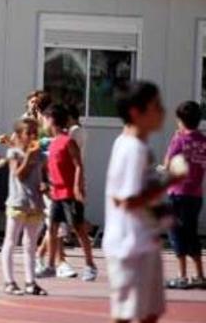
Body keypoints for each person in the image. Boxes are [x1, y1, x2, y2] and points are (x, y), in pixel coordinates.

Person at [105, 81, 182, 323]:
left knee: (149, 313)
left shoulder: (135, 146)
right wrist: (172, 179)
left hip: (143, 241)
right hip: (129, 247)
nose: (162, 111)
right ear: (136, 112)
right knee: (127, 315)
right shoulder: (132, 148)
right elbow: (126, 200)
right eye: (156, 106)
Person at [37, 103, 98, 281]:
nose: (43, 124)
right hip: (56, 193)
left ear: (51, 120)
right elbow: (49, 166)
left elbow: (79, 164)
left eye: (44, 120)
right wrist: (45, 184)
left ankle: (90, 265)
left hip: (70, 194)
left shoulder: (67, 141)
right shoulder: (53, 142)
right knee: (54, 228)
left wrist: (77, 187)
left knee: (78, 230)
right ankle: (50, 266)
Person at [0, 118, 49, 296]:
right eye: (29, 133)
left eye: (36, 132)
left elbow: (44, 176)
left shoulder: (41, 156)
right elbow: (18, 175)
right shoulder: (14, 153)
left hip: (35, 204)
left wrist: (45, 185)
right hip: (17, 202)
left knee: (30, 244)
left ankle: (30, 282)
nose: (33, 136)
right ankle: (9, 281)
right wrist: (28, 156)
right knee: (11, 241)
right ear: (20, 135)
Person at [164, 101, 206, 289]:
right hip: (196, 194)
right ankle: (199, 275)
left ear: (180, 120)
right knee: (191, 233)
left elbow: (167, 163)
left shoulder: (179, 140)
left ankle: (181, 275)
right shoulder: (203, 141)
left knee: (176, 232)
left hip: (178, 192)